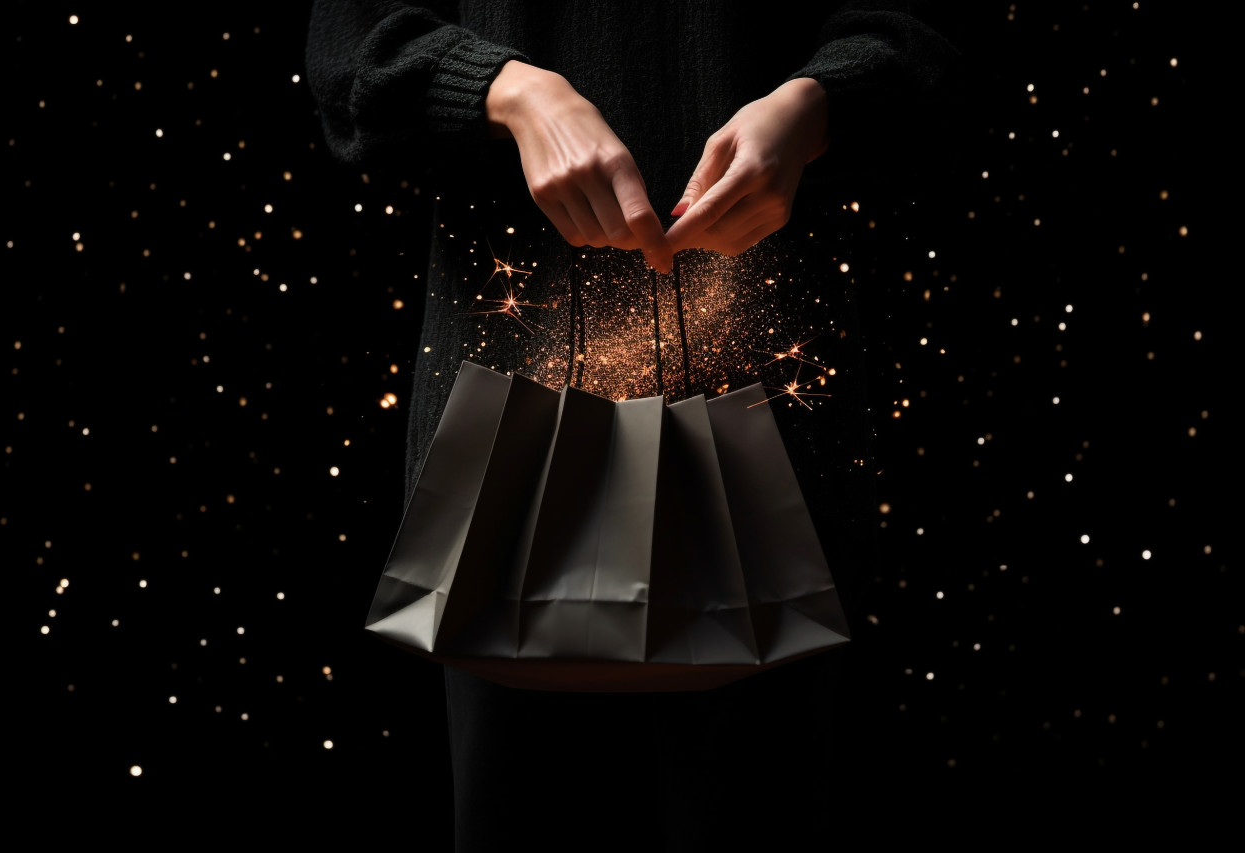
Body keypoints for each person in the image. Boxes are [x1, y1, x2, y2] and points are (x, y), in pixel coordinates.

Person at [307, 2, 957, 848]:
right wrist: (509, 92)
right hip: (509, 447)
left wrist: (816, 104)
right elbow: (345, 54)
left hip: (779, 450)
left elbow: (932, 35)